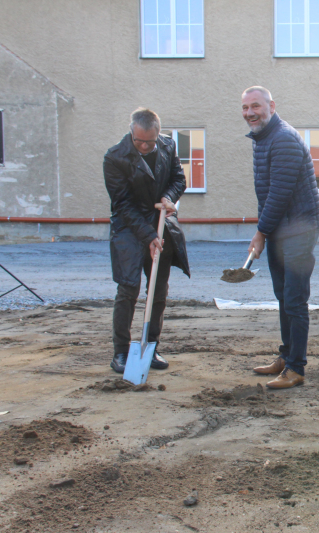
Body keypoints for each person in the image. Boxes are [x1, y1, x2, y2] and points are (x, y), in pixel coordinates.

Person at [243, 86, 319, 390]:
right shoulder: (263, 138)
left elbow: (279, 194)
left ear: (271, 106)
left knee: (294, 298)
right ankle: (287, 355)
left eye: (256, 106)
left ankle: (296, 369)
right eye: (245, 107)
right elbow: (268, 194)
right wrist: (266, 230)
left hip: (300, 230)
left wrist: (260, 233)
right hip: (280, 228)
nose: (250, 113)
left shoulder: (284, 139)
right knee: (282, 295)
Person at [103, 108, 190, 373]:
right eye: (138, 140)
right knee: (128, 289)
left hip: (160, 223)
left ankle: (150, 346)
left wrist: (169, 198)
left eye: (149, 142)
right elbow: (122, 204)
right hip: (129, 229)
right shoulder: (115, 157)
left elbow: (178, 179)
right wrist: (148, 235)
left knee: (158, 291)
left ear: (157, 135)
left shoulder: (167, 145)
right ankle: (120, 352)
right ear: (131, 131)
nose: (143, 146)